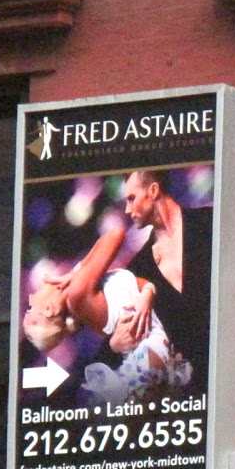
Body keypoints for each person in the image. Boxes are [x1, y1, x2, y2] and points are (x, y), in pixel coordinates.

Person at [21, 226, 192, 403]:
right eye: (30, 308)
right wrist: (75, 273)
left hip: (156, 350)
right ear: (50, 310)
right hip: (151, 354)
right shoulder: (77, 294)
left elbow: (140, 285)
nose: (32, 296)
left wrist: (148, 292)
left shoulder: (85, 295)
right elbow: (115, 234)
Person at [121, 169, 214, 380]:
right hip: (198, 386)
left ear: (153, 191)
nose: (127, 210)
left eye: (131, 198)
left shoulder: (210, 223)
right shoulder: (140, 266)